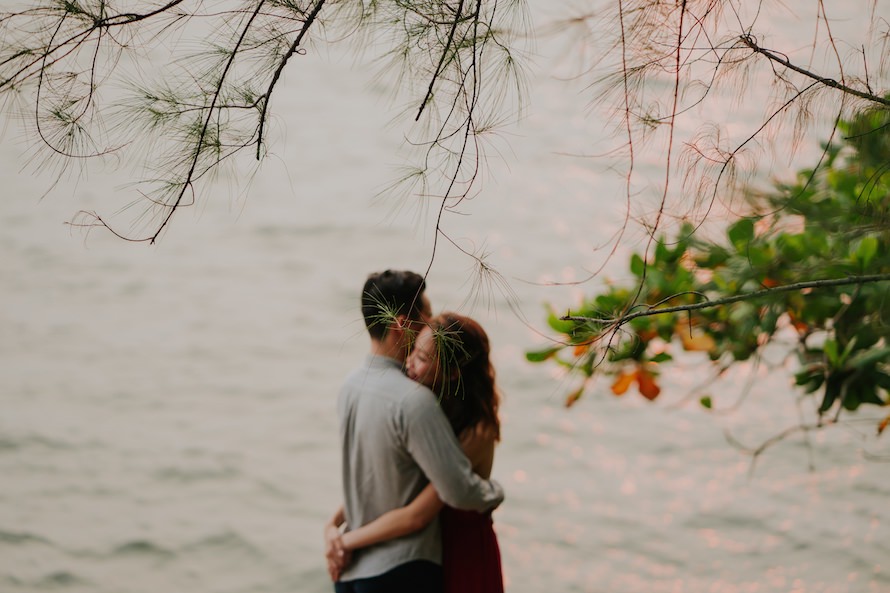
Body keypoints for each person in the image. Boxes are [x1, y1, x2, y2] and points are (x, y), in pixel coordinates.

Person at [325, 271, 504, 593]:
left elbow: (368, 475)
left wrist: (336, 531)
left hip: (355, 571)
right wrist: (494, 492)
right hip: (400, 570)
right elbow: (455, 493)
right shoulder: (414, 401)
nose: (430, 327)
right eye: (424, 319)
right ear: (402, 325)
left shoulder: (350, 386)